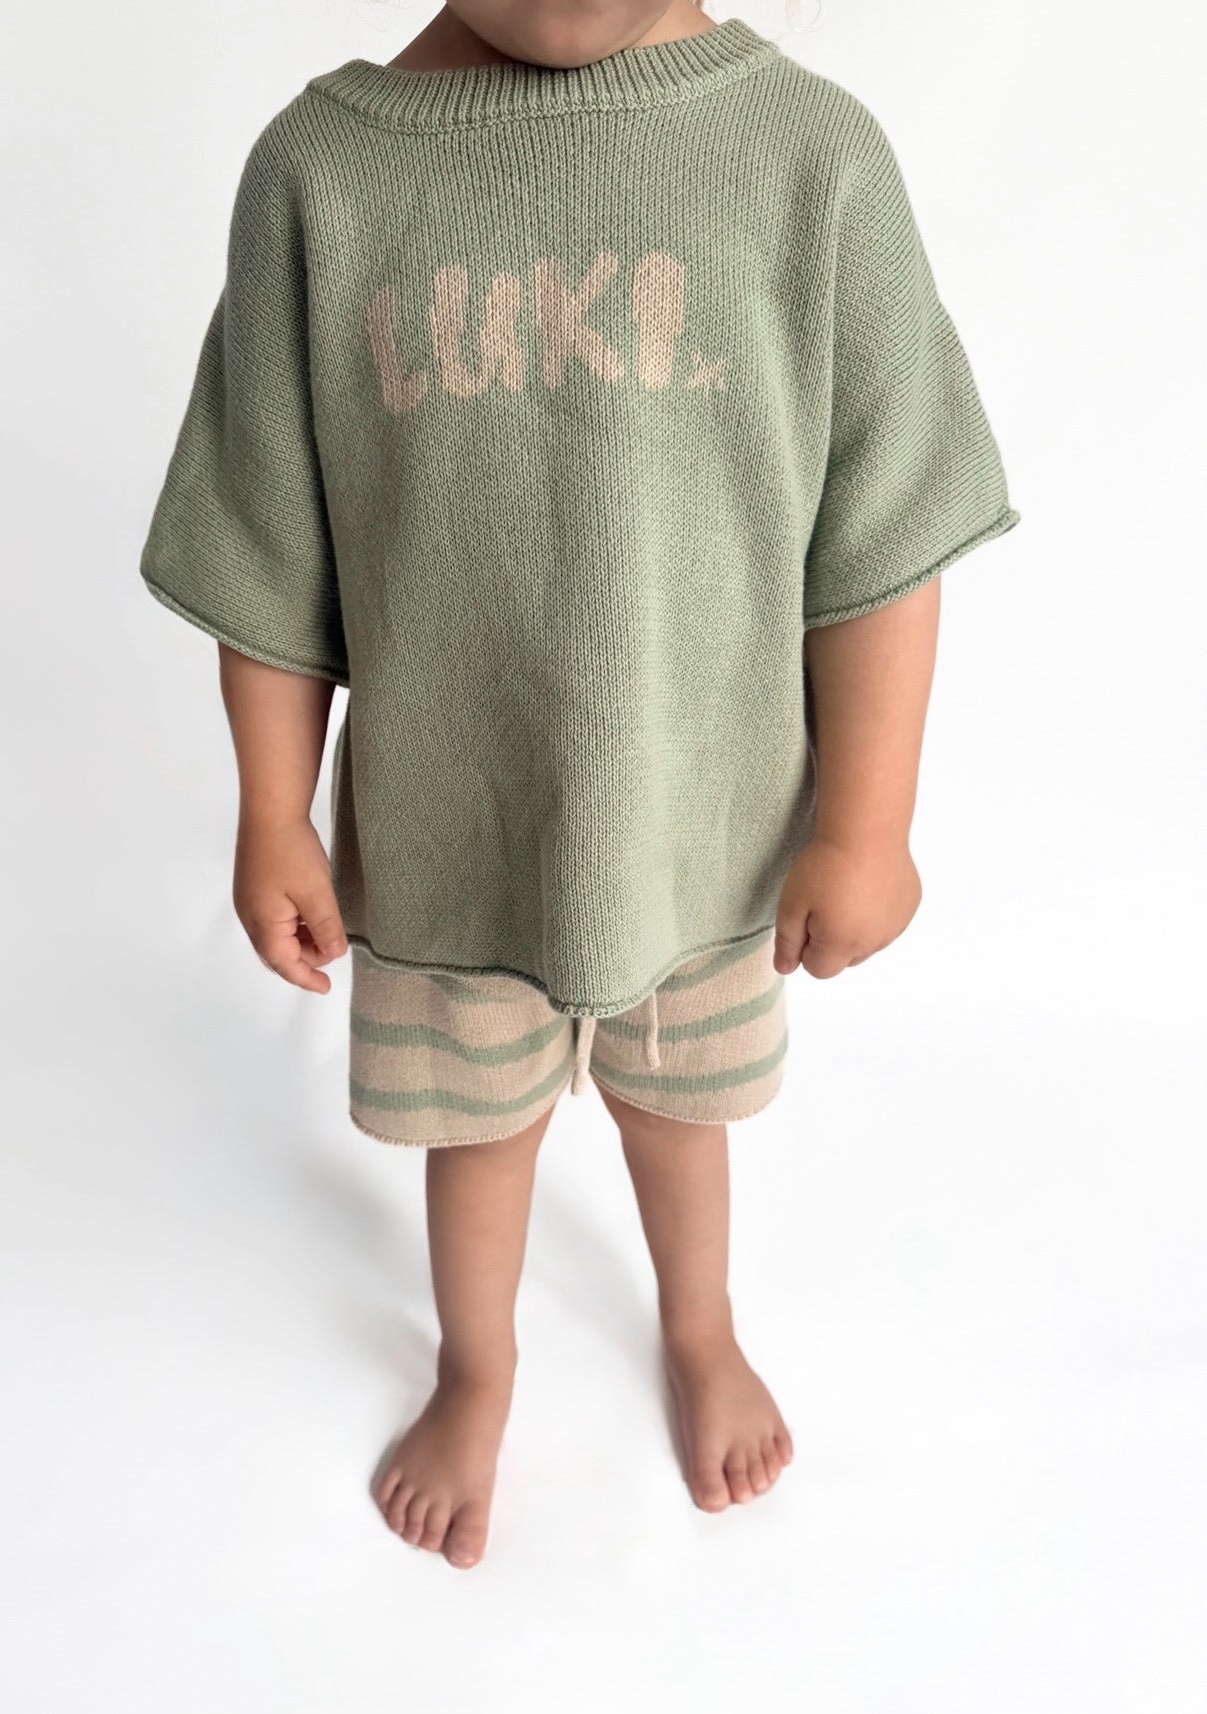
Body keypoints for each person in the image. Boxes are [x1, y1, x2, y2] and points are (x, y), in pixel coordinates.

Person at [139, 0, 1020, 1571]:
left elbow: (885, 527)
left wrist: (869, 823)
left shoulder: (807, 160)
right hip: (451, 842)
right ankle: (476, 1368)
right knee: (477, 1143)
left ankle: (700, 1326)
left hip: (708, 841)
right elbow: (267, 549)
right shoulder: (323, 179)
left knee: (684, 1117)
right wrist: (274, 807)